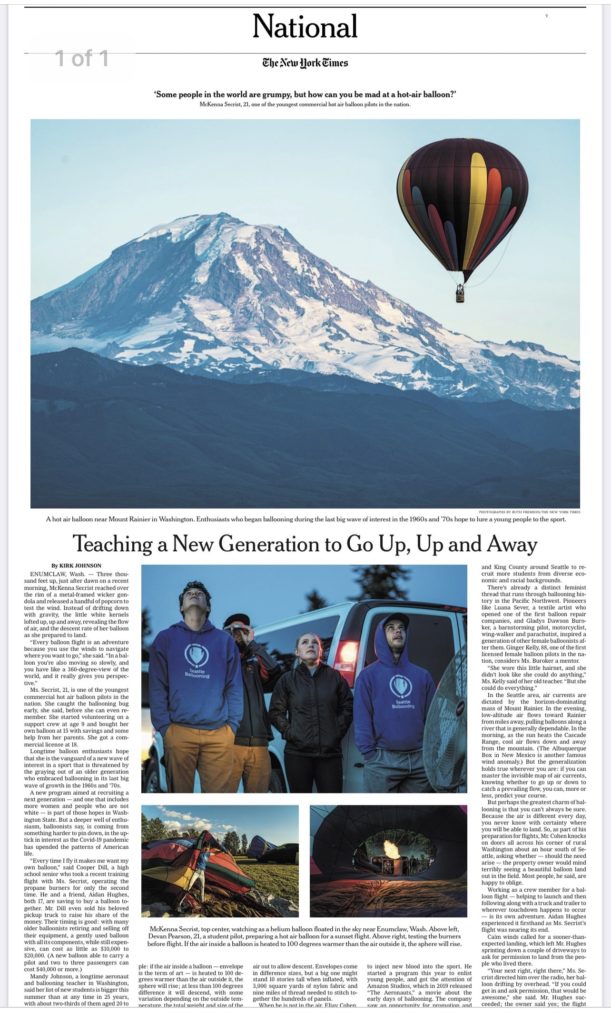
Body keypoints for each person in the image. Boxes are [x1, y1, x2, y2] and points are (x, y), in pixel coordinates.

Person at [148, 581, 243, 793]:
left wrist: (232, 728)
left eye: (199, 593)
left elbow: (234, 686)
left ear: (208, 607)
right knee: (180, 799)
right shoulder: (165, 639)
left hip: (219, 734)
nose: (194, 595)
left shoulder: (224, 641)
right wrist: (166, 728)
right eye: (189, 593)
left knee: (219, 800)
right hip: (178, 731)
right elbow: (157, 687)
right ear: (181, 607)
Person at [353, 613, 436, 793]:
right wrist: (370, 754)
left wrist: (429, 752)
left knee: (416, 818)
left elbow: (433, 718)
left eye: (401, 628)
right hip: (383, 761)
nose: (397, 631)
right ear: (381, 636)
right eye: (390, 628)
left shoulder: (423, 676)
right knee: (380, 817)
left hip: (420, 761)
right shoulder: (368, 676)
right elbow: (362, 717)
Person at [269, 632, 353, 793]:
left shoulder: (334, 677)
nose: (310, 645)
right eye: (305, 642)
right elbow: (275, 712)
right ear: (297, 652)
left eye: (315, 643)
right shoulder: (287, 680)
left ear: (320, 651)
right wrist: (291, 732)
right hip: (297, 755)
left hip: (330, 755)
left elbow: (348, 706)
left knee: (331, 804)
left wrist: (336, 730)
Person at [222, 612, 281, 793]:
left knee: (257, 801)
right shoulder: (220, 661)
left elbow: (275, 670)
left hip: (259, 745)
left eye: (241, 629)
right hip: (230, 743)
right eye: (232, 630)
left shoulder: (255, 662)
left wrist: (252, 644)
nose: (237, 633)